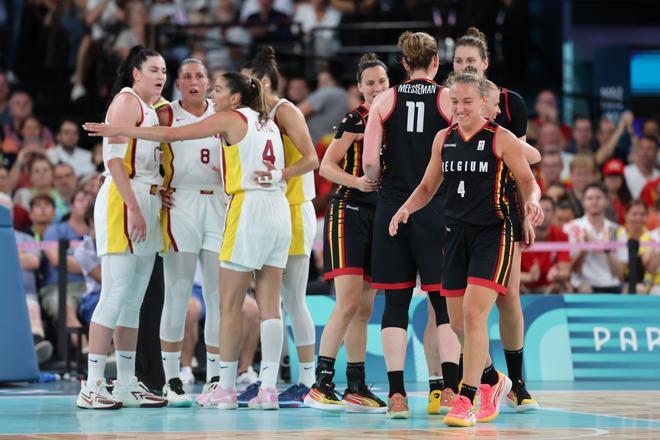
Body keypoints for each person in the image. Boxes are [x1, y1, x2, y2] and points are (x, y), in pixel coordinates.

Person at [85, 72, 298, 411]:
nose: (210, 94)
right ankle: (268, 388)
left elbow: (171, 134)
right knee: (271, 304)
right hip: (279, 209)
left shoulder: (228, 118)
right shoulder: (268, 121)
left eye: (217, 90)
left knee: (227, 304)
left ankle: (224, 388)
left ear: (234, 98)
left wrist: (119, 130)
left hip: (246, 208)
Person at [389, 71, 543, 427]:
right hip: (455, 234)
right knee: (457, 323)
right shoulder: (443, 139)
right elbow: (428, 186)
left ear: (484, 104)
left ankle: (467, 398)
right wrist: (404, 209)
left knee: (475, 316)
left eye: (467, 102)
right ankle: (491, 379)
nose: (459, 108)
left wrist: (533, 204)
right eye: (454, 101)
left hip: (494, 234)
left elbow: (528, 182)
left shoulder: (502, 139)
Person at [362, 31, 459, 419]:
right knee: (443, 303)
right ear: (437, 63)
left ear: (403, 64)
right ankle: (450, 391)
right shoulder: (446, 99)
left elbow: (370, 163)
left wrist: (378, 179)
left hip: (392, 206)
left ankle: (398, 395)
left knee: (396, 303)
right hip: (436, 207)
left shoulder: (385, 99)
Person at [450, 27, 540, 412]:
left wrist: (527, 213)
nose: (464, 66)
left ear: (485, 64)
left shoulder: (509, 102)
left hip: (501, 213)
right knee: (458, 310)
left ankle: (517, 383)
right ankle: (486, 378)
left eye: (471, 61)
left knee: (508, 297)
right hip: (457, 213)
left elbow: (525, 160)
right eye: (458, 62)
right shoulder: (451, 100)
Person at [76, 45, 169, 410]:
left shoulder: (151, 110)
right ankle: (92, 384)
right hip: (123, 199)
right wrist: (133, 206)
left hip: (147, 199)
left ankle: (126, 382)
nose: (161, 76)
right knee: (114, 295)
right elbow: (113, 158)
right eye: (153, 70)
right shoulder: (127, 101)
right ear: (135, 74)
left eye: (164, 70)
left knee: (133, 300)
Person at [304, 53, 388, 413]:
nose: (376, 88)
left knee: (365, 307)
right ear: (359, 88)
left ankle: (355, 385)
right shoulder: (356, 118)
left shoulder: (394, 120)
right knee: (349, 301)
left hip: (376, 216)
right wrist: (359, 182)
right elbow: (326, 165)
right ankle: (321, 383)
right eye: (370, 82)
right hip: (347, 212)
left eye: (382, 82)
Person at [242, 46, 319, 407]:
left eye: (248, 81)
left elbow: (312, 158)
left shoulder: (285, 111)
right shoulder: (252, 116)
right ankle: (268, 379)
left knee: (293, 299)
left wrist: (279, 174)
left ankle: (308, 380)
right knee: (269, 301)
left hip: (294, 208)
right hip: (268, 213)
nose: (243, 87)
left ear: (265, 81)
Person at [155, 58, 225, 407]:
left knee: (216, 296)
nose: (194, 81)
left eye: (200, 75)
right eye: (187, 77)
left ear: (209, 82)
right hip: (180, 204)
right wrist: (156, 188)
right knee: (177, 294)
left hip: (218, 206)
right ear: (178, 83)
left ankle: (214, 377)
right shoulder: (166, 114)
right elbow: (147, 154)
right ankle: (172, 380)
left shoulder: (225, 111)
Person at [0, 193, 53, 364]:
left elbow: (33, 261)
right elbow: (24, 260)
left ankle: (36, 348)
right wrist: (19, 256)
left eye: (7, 209)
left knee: (31, 307)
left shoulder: (27, 238)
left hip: (25, 294)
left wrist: (6, 256)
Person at [563, 183, 626, 293]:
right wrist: (585, 248)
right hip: (584, 285)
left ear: (606, 201)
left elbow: (621, 274)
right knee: (584, 289)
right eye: (590, 198)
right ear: (583, 202)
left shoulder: (617, 230)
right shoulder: (571, 228)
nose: (594, 201)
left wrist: (607, 249)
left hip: (612, 283)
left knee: (634, 289)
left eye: (598, 198)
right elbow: (571, 269)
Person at [519, 196, 571, 294]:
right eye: (538, 209)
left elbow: (565, 271)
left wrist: (556, 274)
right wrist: (529, 277)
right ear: (530, 212)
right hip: (523, 286)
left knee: (564, 286)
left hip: (549, 287)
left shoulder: (561, 235)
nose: (543, 214)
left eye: (547, 210)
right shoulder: (519, 235)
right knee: (510, 285)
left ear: (554, 214)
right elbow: (509, 274)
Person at [624, 135, 659, 199]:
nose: (644, 152)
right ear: (636, 150)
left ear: (656, 153)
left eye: (649, 149)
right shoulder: (625, 172)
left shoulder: (658, 176)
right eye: (641, 148)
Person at [602, 158, 632, 224]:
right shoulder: (597, 198)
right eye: (610, 176)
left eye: (617, 176)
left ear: (622, 180)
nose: (613, 180)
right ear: (604, 179)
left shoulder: (629, 200)